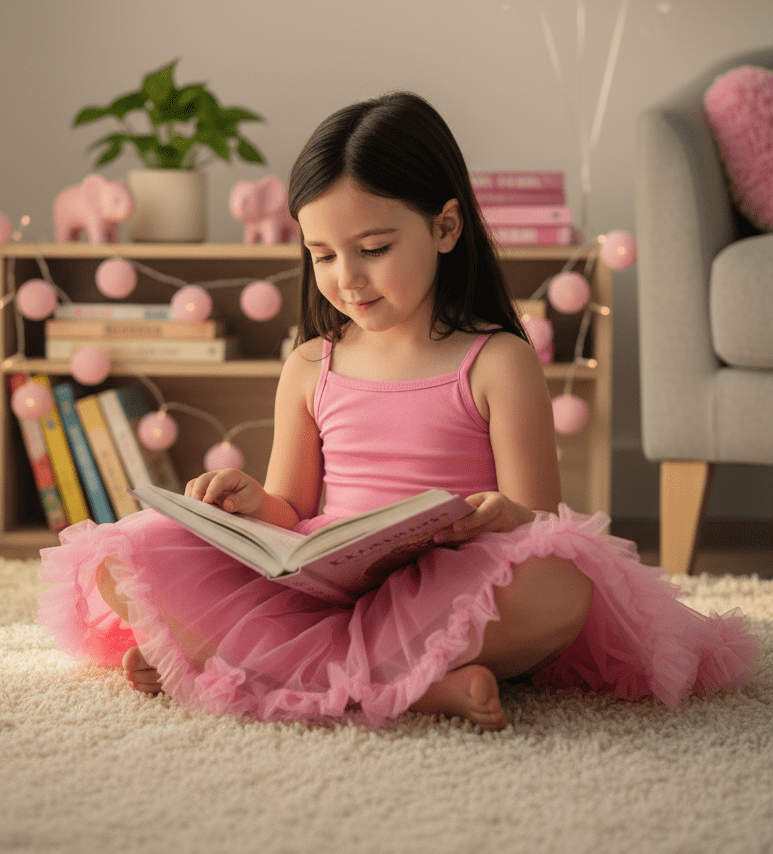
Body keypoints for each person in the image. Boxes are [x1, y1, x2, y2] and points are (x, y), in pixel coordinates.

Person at [38, 92, 757, 730]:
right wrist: (253, 503)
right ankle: (411, 690)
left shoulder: (497, 360)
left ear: (446, 229)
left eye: (374, 249)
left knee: (558, 585)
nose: (346, 279)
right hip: (324, 588)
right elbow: (291, 509)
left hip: (445, 584)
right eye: (321, 255)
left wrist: (497, 515)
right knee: (122, 555)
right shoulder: (310, 364)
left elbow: (542, 522)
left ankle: (247, 673)